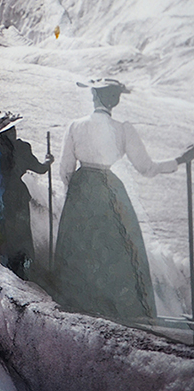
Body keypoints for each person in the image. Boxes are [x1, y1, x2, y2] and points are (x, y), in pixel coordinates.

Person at [53, 78, 193, 321]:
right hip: (109, 190)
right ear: (114, 101)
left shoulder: (75, 125)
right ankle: (117, 310)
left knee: (80, 247)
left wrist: (75, 192)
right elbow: (146, 167)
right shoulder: (123, 129)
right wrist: (180, 160)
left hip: (81, 189)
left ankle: (75, 304)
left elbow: (65, 169)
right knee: (118, 249)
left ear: (94, 97)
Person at [0, 110, 53, 280]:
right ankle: (20, 273)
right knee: (19, 235)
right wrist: (48, 162)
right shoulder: (21, 149)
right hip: (15, 197)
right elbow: (40, 169)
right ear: (10, 131)